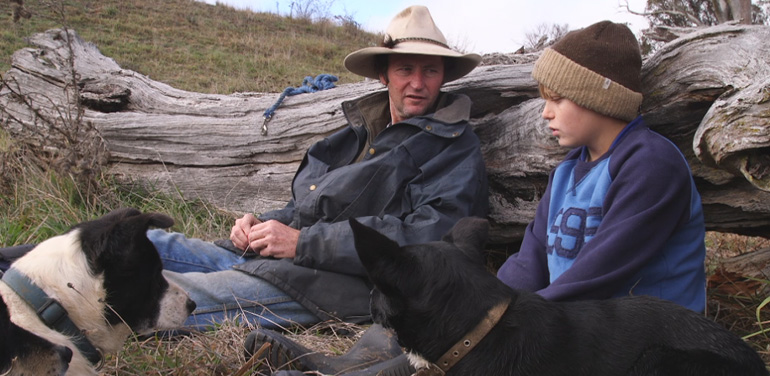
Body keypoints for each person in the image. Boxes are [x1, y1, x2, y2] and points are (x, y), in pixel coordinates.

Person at [147, 4, 487, 373]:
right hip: (283, 260)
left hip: (337, 285)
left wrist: (302, 243)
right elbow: (306, 207)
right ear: (383, 75)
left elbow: (429, 239)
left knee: (179, 291)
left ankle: (90, 309)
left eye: (430, 70)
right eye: (406, 69)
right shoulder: (356, 134)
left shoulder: (455, 148)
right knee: (151, 244)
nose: (418, 83)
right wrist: (260, 225)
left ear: (444, 77)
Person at [496, 20, 707, 312]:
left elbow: (597, 275)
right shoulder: (566, 172)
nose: (545, 113)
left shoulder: (653, 165)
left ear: (598, 98)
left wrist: (509, 323)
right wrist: (484, 307)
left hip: (652, 342)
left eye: (557, 99)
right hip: (580, 330)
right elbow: (531, 258)